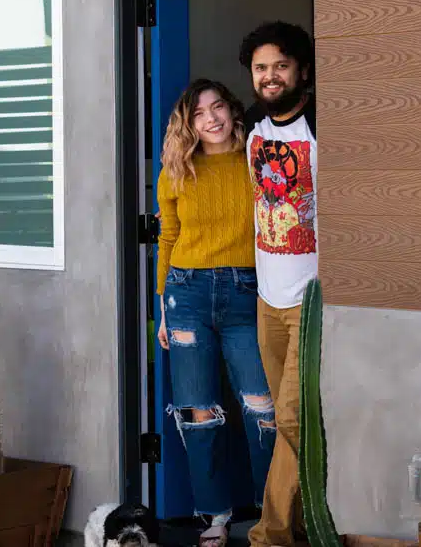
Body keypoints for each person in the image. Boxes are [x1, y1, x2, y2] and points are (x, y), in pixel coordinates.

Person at [156, 79, 276, 547]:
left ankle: (273, 511)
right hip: (185, 293)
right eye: (199, 114)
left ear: (231, 110)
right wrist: (163, 310)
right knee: (199, 412)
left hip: (246, 291)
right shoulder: (177, 171)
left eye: (218, 107)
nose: (211, 119)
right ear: (188, 124)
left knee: (262, 407)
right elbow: (167, 240)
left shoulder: (257, 159)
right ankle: (215, 518)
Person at [239, 22, 317, 547]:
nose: (270, 76)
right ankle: (310, 521)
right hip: (268, 299)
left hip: (313, 301)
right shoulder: (251, 127)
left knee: (291, 416)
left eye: (280, 66)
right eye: (261, 68)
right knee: (293, 422)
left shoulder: (320, 125)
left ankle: (270, 535)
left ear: (301, 73)